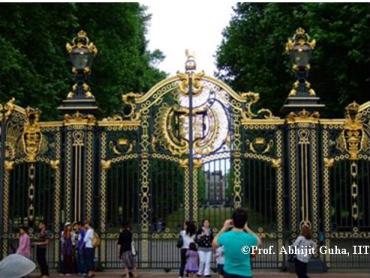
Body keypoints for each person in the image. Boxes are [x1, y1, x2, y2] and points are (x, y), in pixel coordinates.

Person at [212, 208, 261, 278]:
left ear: (233, 221)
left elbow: (214, 243)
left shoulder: (225, 236)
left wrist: (224, 227)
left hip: (229, 273)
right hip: (245, 273)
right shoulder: (249, 238)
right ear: (245, 222)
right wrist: (246, 228)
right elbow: (258, 241)